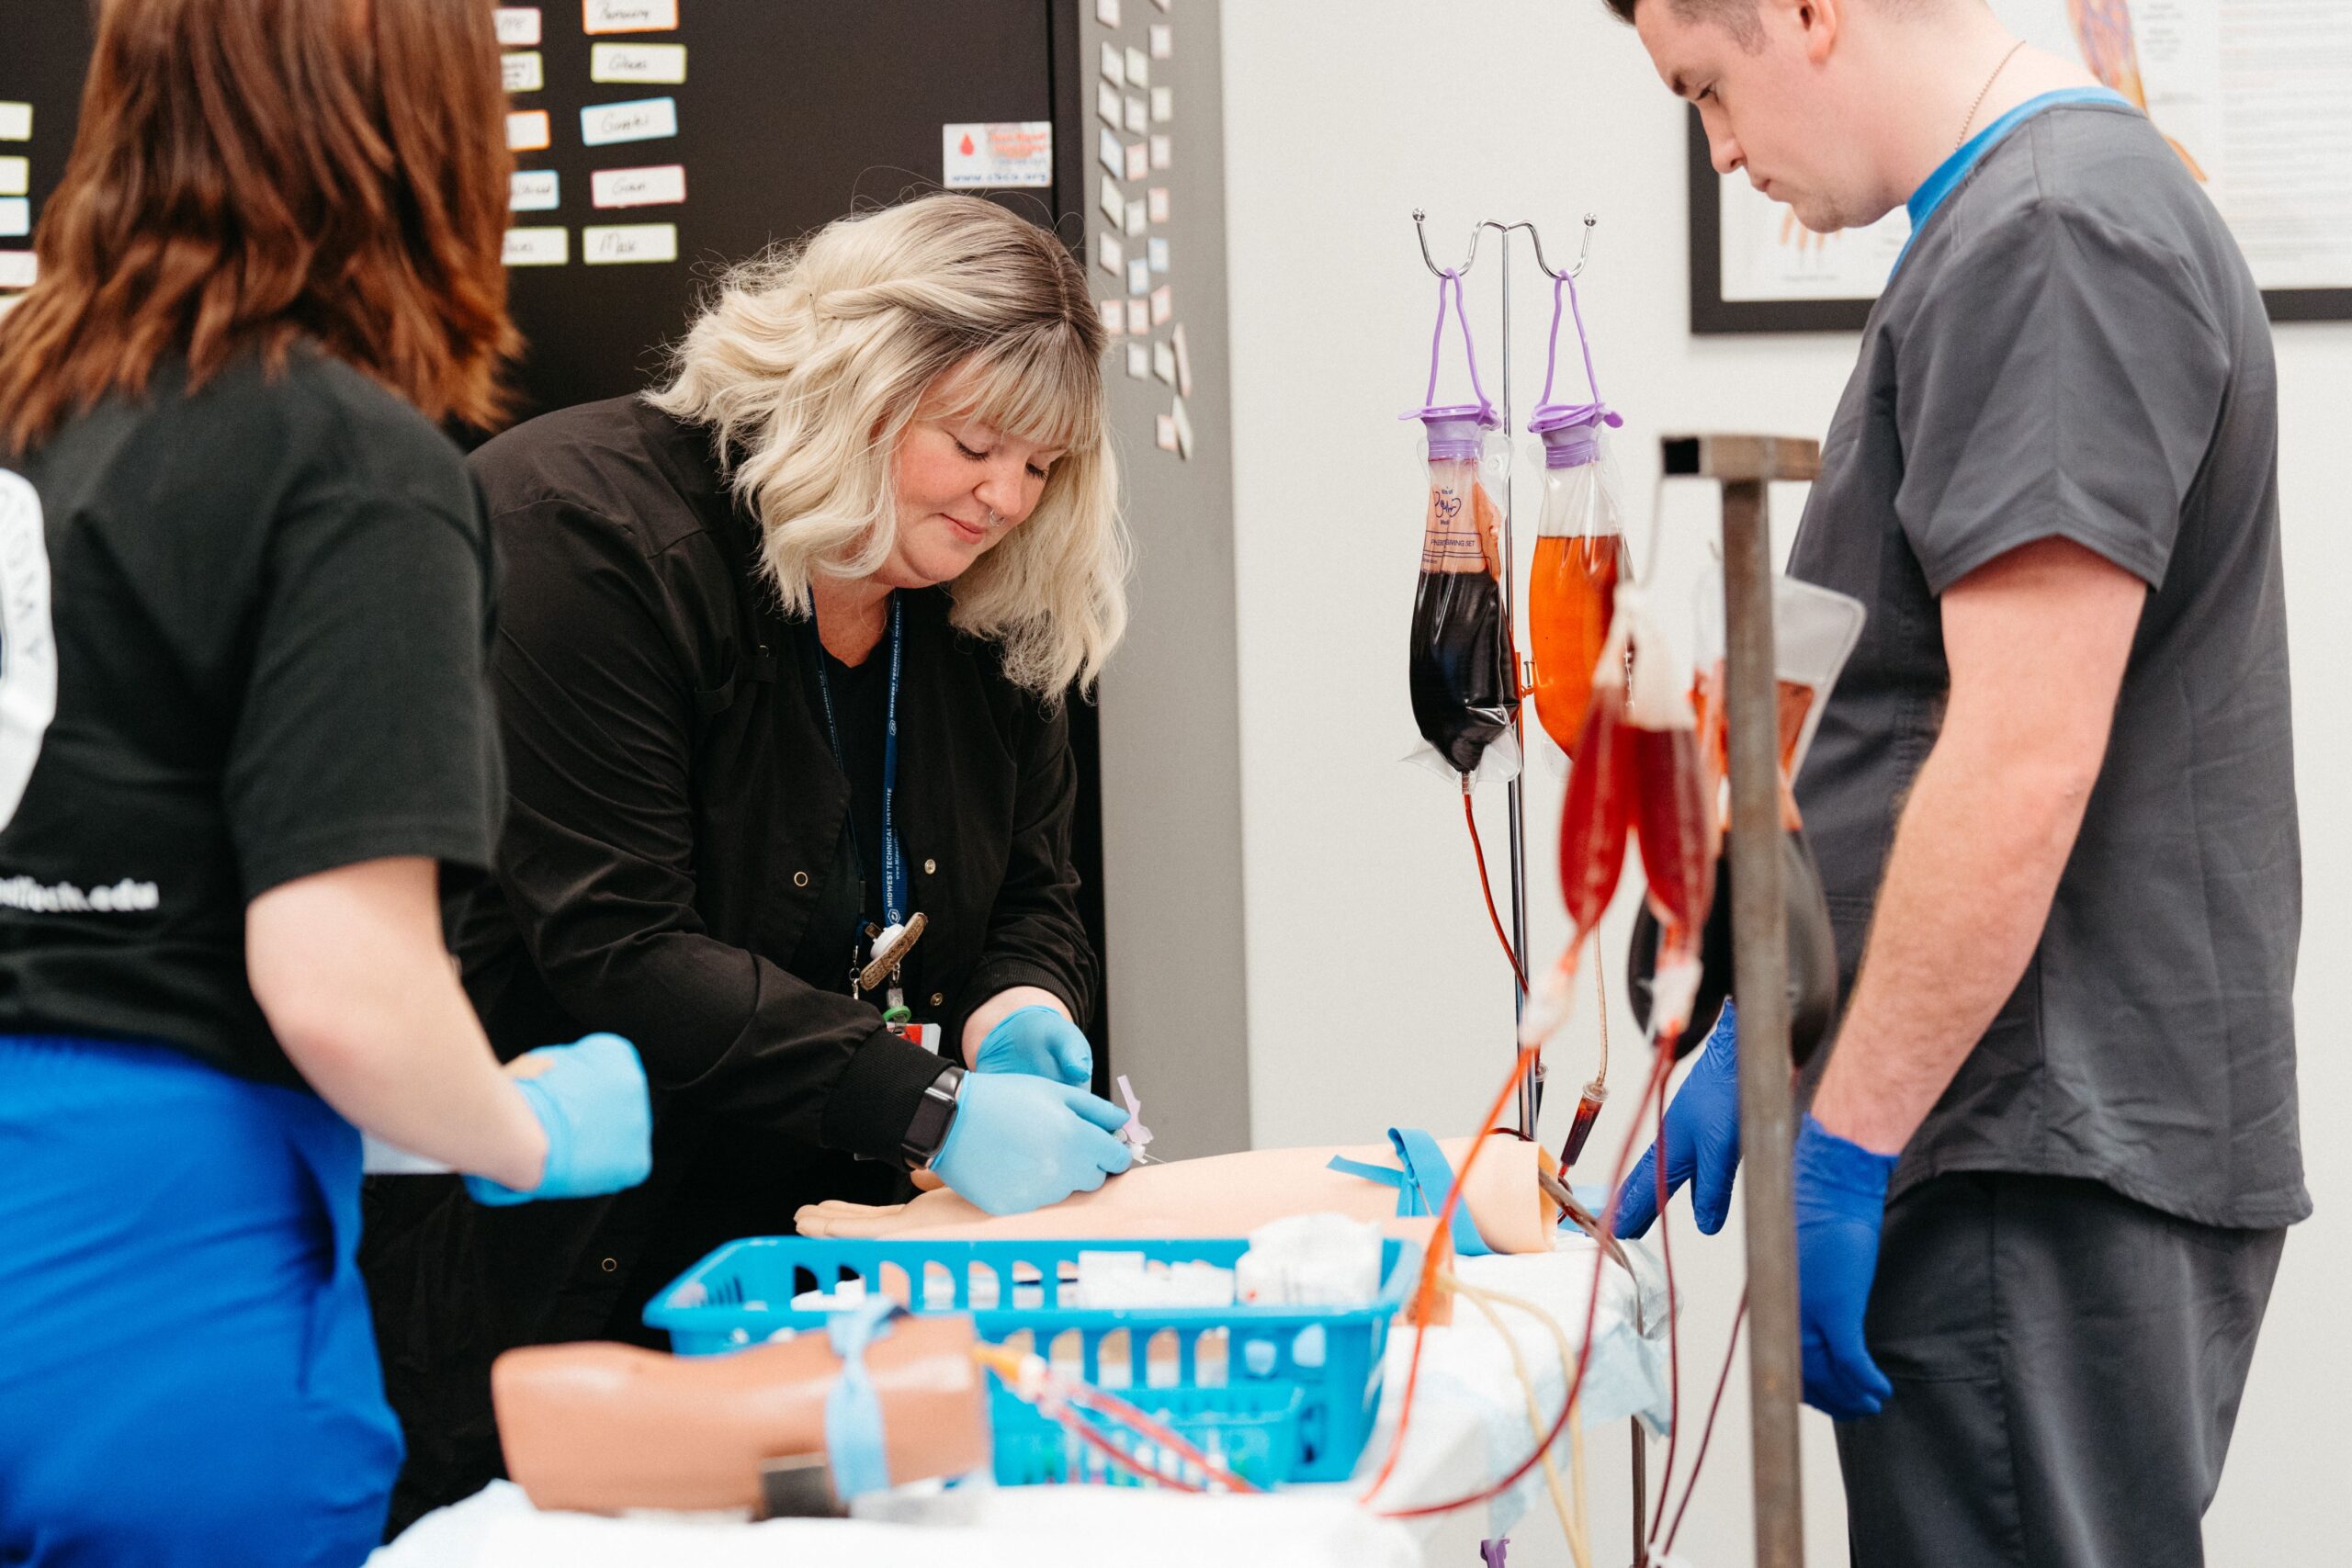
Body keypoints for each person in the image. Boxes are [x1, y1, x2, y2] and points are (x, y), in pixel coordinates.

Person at [1600, 1, 2302, 1563]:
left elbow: (2020, 755)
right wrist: (1763, 1026)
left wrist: (1843, 1145)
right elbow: (1909, 709)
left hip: (2023, 1144)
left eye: (1711, 89)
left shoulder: (2052, 235)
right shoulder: (2003, 224)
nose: (1718, 149)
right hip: (2002, 1124)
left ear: (1808, 12)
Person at [365, 193, 1138, 1527]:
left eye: (1044, 468)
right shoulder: (589, 532)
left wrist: (1025, 1004)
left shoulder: (984, 604)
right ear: (856, 384)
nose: (1006, 500)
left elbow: (1034, 890)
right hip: (554, 1264)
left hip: (808, 1279)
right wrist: (938, 1109)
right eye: (975, 445)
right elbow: (619, 944)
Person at [0, 1, 654, 1562]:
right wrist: (515, 1125)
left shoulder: (27, 412)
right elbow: (345, 992)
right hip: (154, 1286)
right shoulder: (344, 460)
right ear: (426, 133)